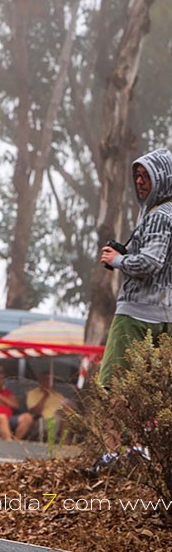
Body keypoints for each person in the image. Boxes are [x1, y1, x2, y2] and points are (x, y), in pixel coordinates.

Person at [97, 147, 172, 389]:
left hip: (137, 317)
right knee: (152, 397)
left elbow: (150, 262)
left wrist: (117, 260)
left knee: (114, 390)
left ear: (164, 178)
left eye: (147, 176)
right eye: (137, 175)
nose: (139, 181)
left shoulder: (159, 216)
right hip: (164, 317)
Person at [25, 370, 75, 443]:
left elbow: (65, 407)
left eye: (51, 381)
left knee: (67, 418)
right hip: (42, 420)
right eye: (46, 380)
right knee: (57, 419)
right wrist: (45, 396)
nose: (49, 383)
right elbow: (34, 411)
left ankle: (65, 445)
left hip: (59, 419)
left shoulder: (58, 395)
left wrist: (69, 407)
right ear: (41, 382)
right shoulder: (33, 393)